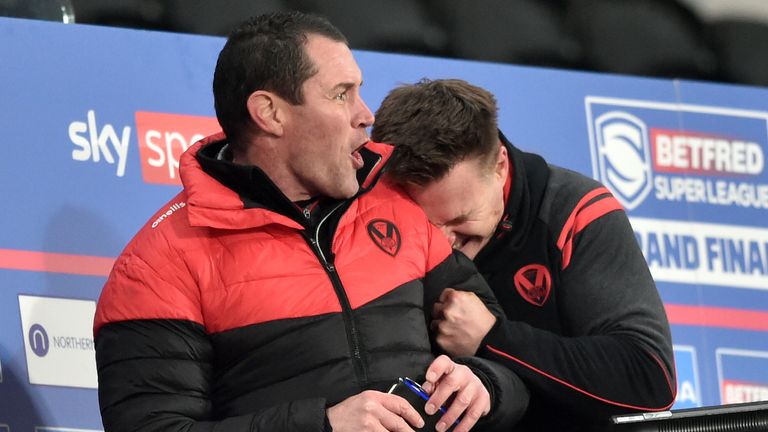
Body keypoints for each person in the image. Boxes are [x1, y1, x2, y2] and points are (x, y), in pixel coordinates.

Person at [93, 13, 528, 432]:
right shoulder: (156, 267)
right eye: (341, 94)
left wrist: (485, 385)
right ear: (270, 113)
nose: (366, 115)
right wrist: (322, 425)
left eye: (360, 91)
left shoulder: (399, 205)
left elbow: (510, 367)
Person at [371, 78, 677, 430]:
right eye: (423, 224)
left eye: (460, 220)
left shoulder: (572, 212)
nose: (442, 241)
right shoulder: (364, 223)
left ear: (500, 166)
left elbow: (648, 376)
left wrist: (493, 337)